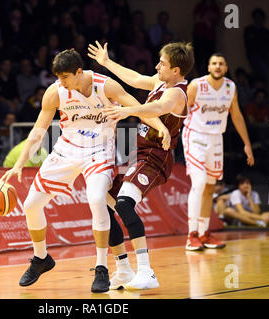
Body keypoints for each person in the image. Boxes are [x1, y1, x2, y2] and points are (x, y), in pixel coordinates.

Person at [0, 48, 170, 293]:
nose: (61, 83)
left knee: (97, 199)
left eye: (65, 77)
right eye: (58, 78)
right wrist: (19, 163)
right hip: (66, 149)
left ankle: (101, 267)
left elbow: (136, 106)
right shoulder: (55, 92)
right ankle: (41, 259)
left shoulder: (105, 86)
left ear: (79, 72)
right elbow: (38, 131)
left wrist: (161, 127)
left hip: (98, 150)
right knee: (30, 205)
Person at [88, 41, 193, 289]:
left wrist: (127, 110)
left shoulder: (177, 93)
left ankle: (146, 271)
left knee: (124, 204)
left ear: (176, 70)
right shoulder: (161, 82)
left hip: (156, 156)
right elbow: (135, 78)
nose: (157, 66)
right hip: (139, 153)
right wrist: (107, 63)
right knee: (104, 202)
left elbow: (157, 108)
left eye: (163, 63)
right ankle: (123, 269)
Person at [179, 53, 254, 251]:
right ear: (209, 67)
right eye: (214, 63)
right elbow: (180, 109)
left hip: (216, 138)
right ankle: (191, 234)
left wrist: (247, 143)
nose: (218, 66)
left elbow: (236, 115)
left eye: (221, 63)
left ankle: (204, 233)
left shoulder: (231, 87)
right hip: (195, 136)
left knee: (211, 187)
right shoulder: (197, 85)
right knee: (200, 182)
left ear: (226, 67)